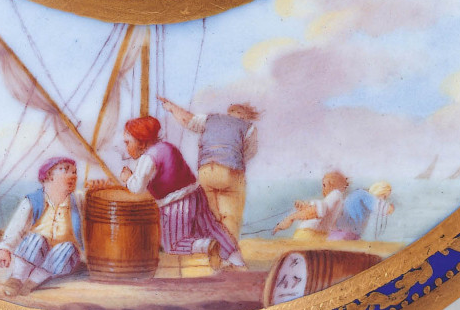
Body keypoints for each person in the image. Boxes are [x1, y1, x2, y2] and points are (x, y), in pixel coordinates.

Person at [115, 116, 246, 269]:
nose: (126, 147)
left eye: (128, 142)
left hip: (176, 204)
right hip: (196, 195)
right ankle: (236, 259)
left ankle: (207, 245)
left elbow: (137, 188)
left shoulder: (148, 158)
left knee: (173, 244)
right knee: (211, 228)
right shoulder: (167, 147)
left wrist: (128, 178)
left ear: (142, 143)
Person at [159, 97, 259, 241]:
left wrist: (172, 107)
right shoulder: (248, 127)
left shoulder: (209, 119)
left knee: (210, 216)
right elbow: (250, 152)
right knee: (230, 216)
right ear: (244, 116)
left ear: (230, 112)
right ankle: (229, 250)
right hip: (230, 172)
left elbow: (187, 120)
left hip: (206, 171)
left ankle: (211, 248)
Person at [0, 157, 85, 297]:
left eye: (75, 172)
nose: (73, 175)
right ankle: (17, 278)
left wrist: (99, 185)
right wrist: (5, 249)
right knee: (35, 239)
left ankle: (33, 282)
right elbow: (17, 226)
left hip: (60, 258)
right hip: (35, 252)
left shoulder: (78, 200)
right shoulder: (33, 200)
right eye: (66, 170)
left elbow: (94, 198)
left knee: (68, 248)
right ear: (49, 176)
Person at [273, 170, 351, 239]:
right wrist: (304, 206)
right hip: (315, 235)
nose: (323, 189)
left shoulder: (335, 194)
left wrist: (290, 218)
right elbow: (320, 210)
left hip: (309, 235)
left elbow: (317, 211)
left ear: (332, 184)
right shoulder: (334, 200)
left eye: (324, 185)